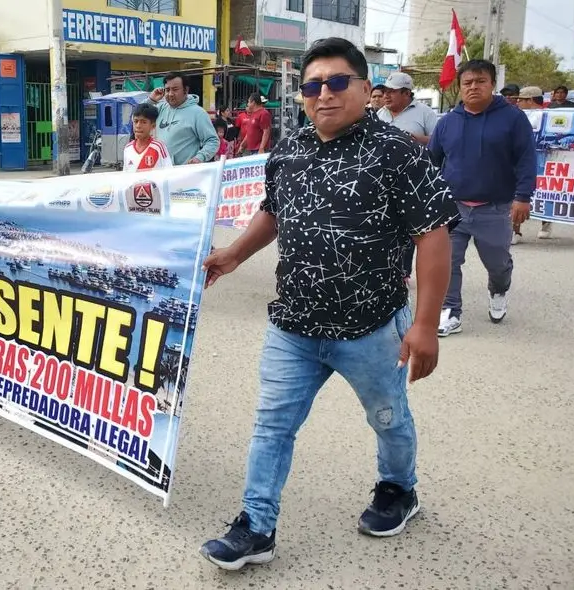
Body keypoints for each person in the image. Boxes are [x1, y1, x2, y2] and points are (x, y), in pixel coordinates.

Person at [198, 37, 459, 571]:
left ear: (366, 89)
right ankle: (256, 524)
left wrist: (426, 325)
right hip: (293, 326)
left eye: (338, 82)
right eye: (313, 86)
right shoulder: (290, 149)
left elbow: (433, 237)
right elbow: (273, 213)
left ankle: (397, 489)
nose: (324, 94)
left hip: (370, 329)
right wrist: (232, 256)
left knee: (388, 419)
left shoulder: (397, 154)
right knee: (271, 424)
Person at [428, 59, 536, 337]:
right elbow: (431, 163)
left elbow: (526, 159)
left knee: (497, 263)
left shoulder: (513, 118)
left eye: (480, 81)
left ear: (492, 85)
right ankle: (451, 311)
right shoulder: (447, 123)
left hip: (495, 208)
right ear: (460, 86)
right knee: (449, 261)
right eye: (467, 83)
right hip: (453, 208)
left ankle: (499, 289)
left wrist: (523, 196)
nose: (473, 87)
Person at [377, 71, 440, 285]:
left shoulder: (425, 113)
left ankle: (404, 272)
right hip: (384, 180)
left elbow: (439, 143)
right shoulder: (380, 115)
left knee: (412, 227)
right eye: (385, 91)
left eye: (392, 92)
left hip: (415, 179)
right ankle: (390, 268)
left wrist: (417, 139)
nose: (386, 96)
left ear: (406, 93)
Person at [146, 73, 219, 165]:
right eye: (167, 90)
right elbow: (137, 117)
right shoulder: (160, 108)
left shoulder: (198, 113)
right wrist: (151, 100)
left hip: (184, 174)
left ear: (186, 90)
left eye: (175, 89)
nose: (170, 94)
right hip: (160, 170)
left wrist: (199, 158)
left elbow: (212, 141)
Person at [514, 86, 553, 242]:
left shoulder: (550, 115)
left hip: (547, 161)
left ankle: (546, 223)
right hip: (523, 161)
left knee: (549, 192)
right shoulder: (516, 117)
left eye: (521, 100)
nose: (517, 102)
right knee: (517, 194)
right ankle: (515, 230)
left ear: (530, 100)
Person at [122, 103, 173, 172]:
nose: (138, 126)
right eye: (136, 121)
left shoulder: (158, 147)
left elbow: (169, 172)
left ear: (153, 125)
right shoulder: (128, 148)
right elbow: (125, 174)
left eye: (144, 122)